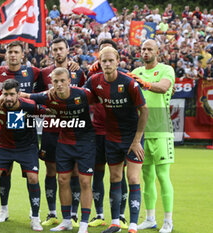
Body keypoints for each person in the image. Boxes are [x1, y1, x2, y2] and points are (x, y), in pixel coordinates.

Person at [84, 47, 148, 233]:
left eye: (111, 60)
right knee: (115, 177)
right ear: (99, 62)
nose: (108, 64)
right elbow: (81, 97)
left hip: (132, 137)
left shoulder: (128, 83)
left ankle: (134, 225)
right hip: (111, 137)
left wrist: (136, 141)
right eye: (104, 61)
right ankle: (115, 223)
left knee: (133, 177)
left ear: (118, 60)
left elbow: (144, 110)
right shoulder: (94, 81)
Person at [25, 67, 96, 233]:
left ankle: (84, 225)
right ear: (51, 83)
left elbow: (102, 99)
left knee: (85, 182)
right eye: (55, 81)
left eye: (62, 80)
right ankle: (66, 221)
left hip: (86, 142)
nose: (59, 84)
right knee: (62, 180)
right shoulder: (48, 96)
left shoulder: (83, 94)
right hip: (64, 142)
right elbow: (25, 96)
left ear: (69, 81)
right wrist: (1, 99)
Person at [0, 79, 44, 231]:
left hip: (27, 147)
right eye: (5, 94)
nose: (8, 98)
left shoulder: (30, 106)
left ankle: (35, 218)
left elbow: (49, 112)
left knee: (33, 178)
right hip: (4, 146)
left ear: (19, 94)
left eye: (12, 94)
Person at [34, 38, 86, 227]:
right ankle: (52, 213)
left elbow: (86, 95)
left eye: (61, 49)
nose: (58, 52)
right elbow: (36, 100)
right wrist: (43, 111)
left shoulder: (78, 72)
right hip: (51, 129)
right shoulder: (43, 73)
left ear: (67, 50)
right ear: (51, 51)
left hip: (73, 129)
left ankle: (72, 214)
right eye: (54, 49)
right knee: (51, 170)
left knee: (74, 171)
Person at [132, 39, 175, 233]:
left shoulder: (166, 70)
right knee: (146, 177)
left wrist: (145, 83)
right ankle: (149, 218)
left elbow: (164, 87)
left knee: (163, 176)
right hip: (142, 134)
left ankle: (168, 221)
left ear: (157, 51)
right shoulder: (136, 72)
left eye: (150, 49)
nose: (146, 52)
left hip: (161, 131)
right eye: (143, 49)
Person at [87, 39, 130, 229]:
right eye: (102, 54)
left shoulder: (124, 77)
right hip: (97, 131)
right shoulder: (93, 76)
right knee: (98, 173)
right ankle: (99, 214)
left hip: (118, 133)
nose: (105, 61)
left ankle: (120, 215)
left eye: (109, 55)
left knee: (120, 174)